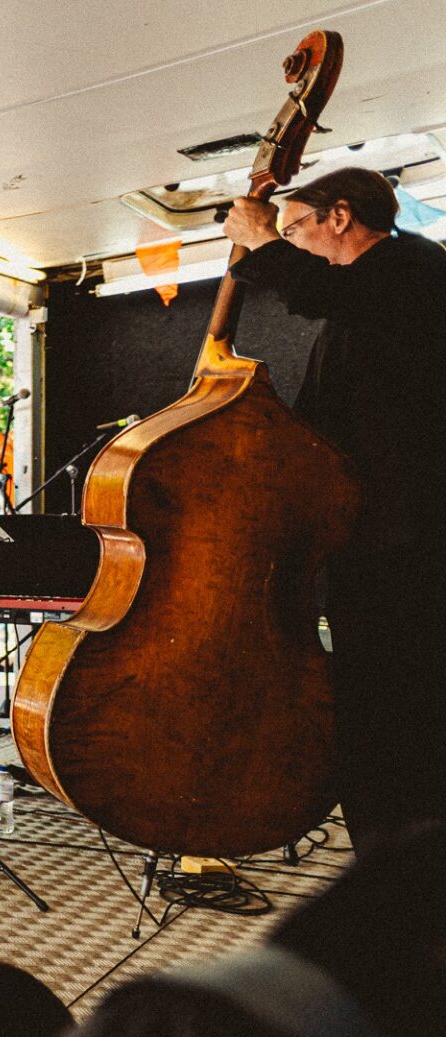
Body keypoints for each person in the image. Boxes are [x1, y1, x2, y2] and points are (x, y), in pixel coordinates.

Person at [223, 167, 446, 853]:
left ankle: (405, 870)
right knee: (375, 721)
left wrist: (261, 241)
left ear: (340, 217)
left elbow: (316, 289)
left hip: (409, 548)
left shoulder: (414, 267)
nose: (291, 242)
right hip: (375, 545)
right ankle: (389, 866)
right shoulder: (364, 308)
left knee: (398, 719)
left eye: (297, 228)